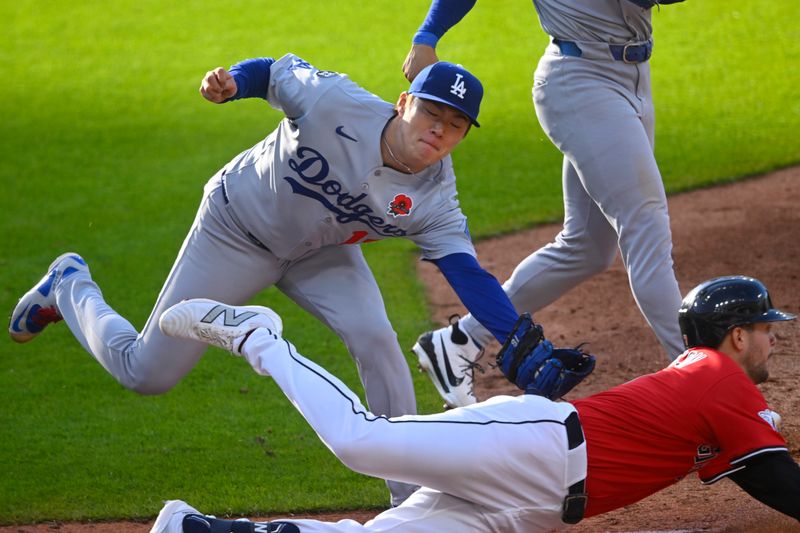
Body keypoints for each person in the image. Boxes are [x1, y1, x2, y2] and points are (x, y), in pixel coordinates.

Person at [7, 54, 521, 505]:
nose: (439, 129)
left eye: (455, 124)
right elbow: (274, 73)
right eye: (432, 111)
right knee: (146, 374)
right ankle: (69, 284)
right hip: (236, 230)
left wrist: (521, 337)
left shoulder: (437, 197)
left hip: (320, 254)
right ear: (404, 101)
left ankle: (406, 499)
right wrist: (233, 82)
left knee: (377, 339)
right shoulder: (333, 100)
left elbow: (466, 274)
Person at [149, 275, 799, 532]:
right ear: (736, 334)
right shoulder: (720, 376)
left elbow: (754, 468)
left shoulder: (706, 382)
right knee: (358, 440)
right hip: (536, 446)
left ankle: (194, 528)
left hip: (532, 508)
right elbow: (774, 475)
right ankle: (259, 336)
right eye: (767, 328)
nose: (773, 339)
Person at [403, 0, 689, 408]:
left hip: (631, 78)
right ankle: (704, 380)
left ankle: (461, 340)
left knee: (588, 247)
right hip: (583, 83)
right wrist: (428, 35)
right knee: (644, 224)